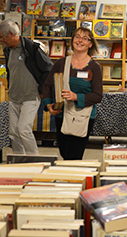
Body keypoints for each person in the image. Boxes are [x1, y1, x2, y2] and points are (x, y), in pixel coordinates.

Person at [42, 27, 103, 160]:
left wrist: (76, 97)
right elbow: (47, 85)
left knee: (75, 155)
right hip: (62, 116)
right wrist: (48, 105)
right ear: (72, 40)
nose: (80, 40)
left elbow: (98, 96)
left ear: (90, 44)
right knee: (64, 152)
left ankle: (73, 179)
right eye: (77, 37)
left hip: (83, 117)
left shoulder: (94, 67)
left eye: (85, 38)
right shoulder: (61, 63)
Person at [0, 20, 53, 155]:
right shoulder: (8, 51)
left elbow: (48, 69)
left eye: (2, 38)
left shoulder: (32, 48)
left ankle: (34, 161)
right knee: (13, 133)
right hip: (14, 98)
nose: (1, 41)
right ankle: (18, 162)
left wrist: (41, 91)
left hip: (30, 97)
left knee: (24, 130)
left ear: (11, 34)